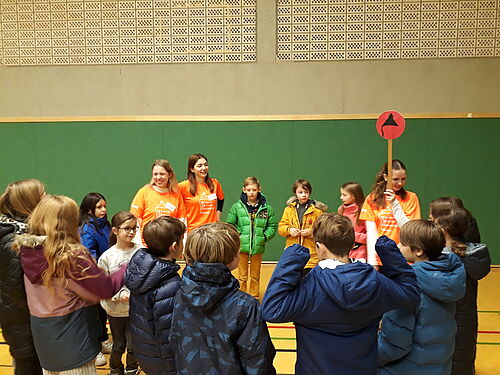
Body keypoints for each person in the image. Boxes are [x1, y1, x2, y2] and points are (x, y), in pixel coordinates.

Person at [262, 213, 420, 375]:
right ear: (352, 245)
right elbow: (410, 291)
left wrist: (291, 258)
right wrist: (389, 252)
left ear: (320, 247)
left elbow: (271, 310)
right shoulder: (375, 283)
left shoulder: (310, 287)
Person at [13, 195, 126, 374]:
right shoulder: (72, 257)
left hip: (44, 340)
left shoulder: (27, 250)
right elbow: (106, 288)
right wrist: (127, 266)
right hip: (74, 340)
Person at [169, 222, 276, 374]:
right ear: (232, 257)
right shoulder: (246, 306)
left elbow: (173, 342)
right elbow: (258, 362)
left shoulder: (179, 293)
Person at [378, 220, 467, 375]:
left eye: (402, 243)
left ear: (418, 250)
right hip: (438, 366)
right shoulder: (448, 278)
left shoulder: (407, 286)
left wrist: (369, 355)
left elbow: (394, 345)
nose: (398, 246)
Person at [431, 207, 491, 375]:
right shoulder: (474, 254)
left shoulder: (442, 258)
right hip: (467, 317)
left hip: (445, 316)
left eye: (435, 224)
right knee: (463, 356)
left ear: (445, 229)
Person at [125, 216, 185, 375]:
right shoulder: (170, 285)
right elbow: (170, 333)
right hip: (165, 363)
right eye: (182, 240)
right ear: (174, 246)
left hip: (146, 353)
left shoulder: (142, 271)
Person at [0, 179, 45, 375]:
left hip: (26, 319)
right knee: (27, 367)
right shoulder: (14, 241)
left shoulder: (25, 232)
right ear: (30, 202)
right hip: (23, 322)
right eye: (42, 195)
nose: (46, 198)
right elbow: (17, 290)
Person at [98, 212, 141, 375]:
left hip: (135, 309)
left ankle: (132, 368)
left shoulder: (141, 251)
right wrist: (118, 296)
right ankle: (115, 369)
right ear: (115, 231)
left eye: (134, 228)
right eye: (127, 229)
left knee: (133, 344)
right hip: (115, 311)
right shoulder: (107, 257)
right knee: (119, 345)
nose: (131, 232)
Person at [360, 160, 420, 267]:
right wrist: (373, 262)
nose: (400, 183)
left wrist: (395, 204)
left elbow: (410, 230)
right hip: (381, 257)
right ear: (385, 177)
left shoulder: (411, 198)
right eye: (395, 179)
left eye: (403, 179)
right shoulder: (372, 199)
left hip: (404, 258)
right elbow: (372, 233)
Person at [226, 176, 278, 299]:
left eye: (254, 190)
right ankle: (242, 297)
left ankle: (254, 297)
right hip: (242, 247)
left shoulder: (266, 208)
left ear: (259, 189)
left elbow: (272, 225)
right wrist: (238, 237)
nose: (251, 192)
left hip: (258, 247)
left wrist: (264, 237)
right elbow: (229, 224)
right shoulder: (237, 207)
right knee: (242, 275)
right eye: (248, 190)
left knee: (255, 275)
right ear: (244, 190)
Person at [79, 192, 113, 365]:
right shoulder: (86, 229)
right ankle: (94, 348)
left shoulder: (105, 225)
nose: (103, 210)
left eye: (104, 206)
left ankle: (103, 340)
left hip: (105, 274)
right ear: (90, 210)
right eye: (99, 207)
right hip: (93, 277)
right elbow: (88, 255)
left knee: (102, 312)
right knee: (93, 314)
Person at [278, 179, 327, 274]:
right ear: (295, 193)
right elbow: (281, 228)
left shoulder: (317, 211)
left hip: (311, 255)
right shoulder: (288, 210)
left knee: (309, 279)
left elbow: (323, 231)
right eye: (300, 192)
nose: (304, 195)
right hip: (292, 252)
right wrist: (289, 229)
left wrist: (311, 232)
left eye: (306, 192)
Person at [130, 159, 186, 242]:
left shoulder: (176, 196)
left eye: (162, 174)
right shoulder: (144, 192)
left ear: (169, 174)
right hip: (146, 245)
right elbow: (134, 221)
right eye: (155, 174)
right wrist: (138, 245)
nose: (158, 177)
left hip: (169, 246)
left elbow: (182, 223)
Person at [178, 153, 224, 232]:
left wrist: (218, 213)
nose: (204, 168)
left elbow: (221, 198)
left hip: (212, 231)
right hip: (193, 232)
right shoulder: (183, 186)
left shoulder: (215, 183)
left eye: (206, 165)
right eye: (199, 166)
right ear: (192, 169)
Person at [338, 181, 367, 261]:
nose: (341, 198)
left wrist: (353, 236)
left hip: (360, 254)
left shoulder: (364, 211)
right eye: (341, 194)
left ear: (354, 196)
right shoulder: (341, 209)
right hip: (343, 253)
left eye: (344, 195)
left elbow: (371, 236)